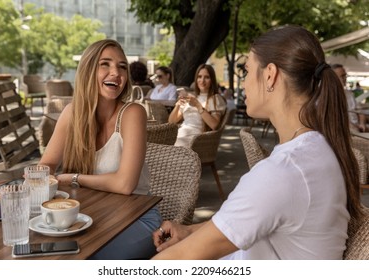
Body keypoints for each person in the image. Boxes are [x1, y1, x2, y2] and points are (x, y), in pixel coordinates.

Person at [152, 25, 362, 260]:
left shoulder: (283, 171)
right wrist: (189, 230)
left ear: (270, 75)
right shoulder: (316, 149)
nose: (244, 84)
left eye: (247, 72)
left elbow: (180, 258)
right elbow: (248, 222)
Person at [38, 39, 162, 259]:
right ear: (88, 70)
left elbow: (125, 184)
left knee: (81, 259)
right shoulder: (71, 113)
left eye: (122, 67)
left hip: (136, 218)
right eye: (105, 64)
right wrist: (41, 177)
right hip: (88, 215)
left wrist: (73, 178)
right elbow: (45, 166)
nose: (116, 72)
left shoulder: (133, 113)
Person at [168, 64, 227, 147]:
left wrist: (198, 105)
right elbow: (171, 122)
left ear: (212, 80)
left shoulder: (214, 99)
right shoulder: (191, 97)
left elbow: (214, 125)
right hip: (181, 134)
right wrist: (177, 105)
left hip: (197, 140)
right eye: (199, 77)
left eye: (207, 77)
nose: (202, 81)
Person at [332, 64, 367, 132]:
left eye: (345, 75)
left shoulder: (349, 93)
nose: (345, 78)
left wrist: (362, 123)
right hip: (346, 131)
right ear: (333, 78)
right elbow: (336, 119)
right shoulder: (329, 96)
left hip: (357, 128)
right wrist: (355, 128)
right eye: (342, 76)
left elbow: (360, 112)